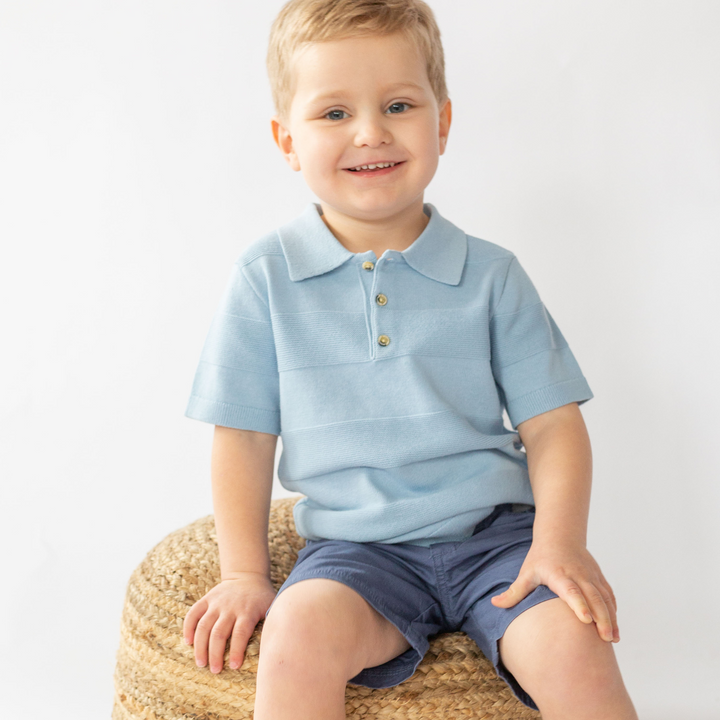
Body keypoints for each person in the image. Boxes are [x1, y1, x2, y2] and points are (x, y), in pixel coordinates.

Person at [181, 1, 638, 717]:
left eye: (398, 104)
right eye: (333, 113)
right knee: (297, 635)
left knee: (574, 644)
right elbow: (241, 434)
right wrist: (243, 572)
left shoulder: (491, 275)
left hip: (497, 539)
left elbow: (553, 425)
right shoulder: (264, 279)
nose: (370, 132)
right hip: (357, 552)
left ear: (442, 123)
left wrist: (558, 546)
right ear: (287, 140)